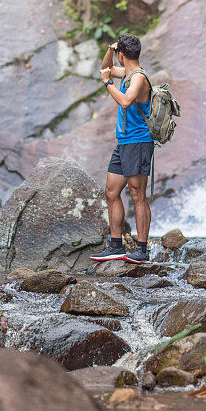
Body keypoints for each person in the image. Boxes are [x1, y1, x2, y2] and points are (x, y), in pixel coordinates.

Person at [90, 33, 153, 264]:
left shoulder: (138, 78)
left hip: (138, 141)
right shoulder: (126, 72)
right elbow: (104, 69)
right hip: (124, 142)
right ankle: (115, 245)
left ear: (122, 55)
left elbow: (125, 101)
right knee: (111, 191)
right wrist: (109, 50)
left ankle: (142, 249)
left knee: (137, 195)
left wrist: (108, 83)